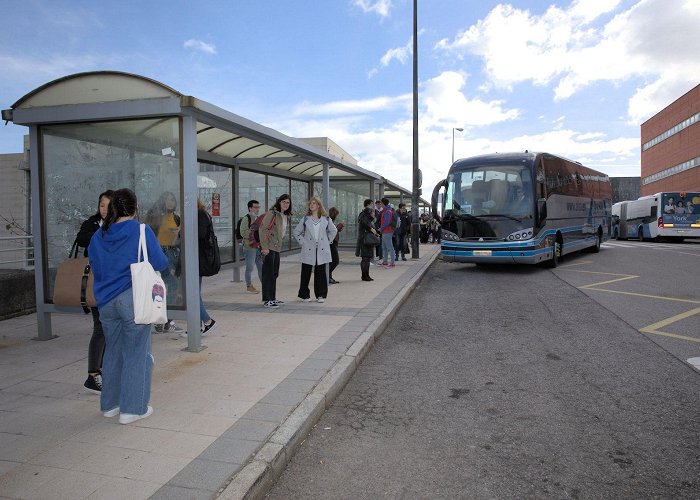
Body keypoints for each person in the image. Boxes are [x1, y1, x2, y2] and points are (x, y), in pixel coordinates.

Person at [88, 188, 168, 424]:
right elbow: (161, 263)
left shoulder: (98, 235)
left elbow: (95, 264)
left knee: (112, 351)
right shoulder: (141, 230)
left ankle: (110, 405)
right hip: (132, 299)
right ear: (135, 208)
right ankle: (133, 409)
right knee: (136, 353)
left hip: (105, 302)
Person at [76, 189, 113, 393]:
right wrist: (102, 232)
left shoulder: (120, 225)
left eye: (108, 206)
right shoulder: (93, 223)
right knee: (100, 328)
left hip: (113, 285)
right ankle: (93, 374)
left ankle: (104, 369)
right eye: (101, 205)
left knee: (110, 329)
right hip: (96, 285)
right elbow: (82, 239)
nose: (104, 210)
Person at [145, 191, 183, 333]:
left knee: (169, 286)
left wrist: (179, 233)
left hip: (173, 252)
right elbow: (147, 234)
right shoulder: (156, 217)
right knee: (161, 286)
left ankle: (163, 319)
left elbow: (180, 239)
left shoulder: (177, 218)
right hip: (159, 252)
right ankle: (165, 319)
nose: (170, 203)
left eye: (172, 200)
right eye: (167, 200)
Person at [180, 199, 218, 339]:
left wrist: (181, 231)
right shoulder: (199, 214)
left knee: (193, 293)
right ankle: (198, 325)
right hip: (196, 258)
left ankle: (207, 321)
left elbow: (199, 235)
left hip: (196, 259)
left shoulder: (199, 214)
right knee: (194, 292)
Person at [293, 197, 337, 303]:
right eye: (310, 203)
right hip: (308, 248)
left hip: (321, 249)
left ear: (318, 206)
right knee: (306, 272)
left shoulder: (326, 219)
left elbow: (333, 230)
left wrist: (327, 241)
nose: (312, 205)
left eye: (314, 203)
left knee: (321, 273)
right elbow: (296, 232)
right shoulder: (305, 219)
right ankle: (304, 295)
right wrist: (303, 242)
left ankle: (321, 295)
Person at [260, 194, 292, 308]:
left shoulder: (284, 215)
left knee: (274, 274)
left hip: (276, 247)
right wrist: (264, 247)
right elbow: (262, 229)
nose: (285, 204)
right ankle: (267, 300)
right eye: (283, 202)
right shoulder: (272, 213)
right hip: (269, 247)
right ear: (279, 202)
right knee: (268, 274)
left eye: (287, 202)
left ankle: (272, 298)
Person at [239, 199, 263, 293]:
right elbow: (243, 232)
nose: (257, 209)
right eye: (255, 207)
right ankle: (249, 286)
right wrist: (254, 233)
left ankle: (265, 284)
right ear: (250, 208)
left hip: (257, 246)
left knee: (261, 267)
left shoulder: (257, 218)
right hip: (249, 247)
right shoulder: (246, 218)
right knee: (250, 267)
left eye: (258, 207)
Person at [357, 199, 379, 281]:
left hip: (367, 239)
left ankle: (366, 275)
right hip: (365, 239)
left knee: (367, 258)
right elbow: (364, 223)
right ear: (368, 205)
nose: (373, 206)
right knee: (365, 258)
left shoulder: (366, 215)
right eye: (371, 204)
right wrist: (371, 229)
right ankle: (364, 275)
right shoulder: (364, 214)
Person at [328, 207, 344, 284]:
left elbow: (334, 230)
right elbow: (333, 231)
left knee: (332, 261)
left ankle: (329, 277)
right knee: (335, 261)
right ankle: (327, 275)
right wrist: (340, 226)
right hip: (331, 243)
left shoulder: (331, 220)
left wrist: (339, 228)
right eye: (336, 214)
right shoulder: (328, 220)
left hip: (333, 242)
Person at [379, 197, 396, 267]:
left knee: (389, 247)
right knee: (384, 247)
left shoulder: (387, 211)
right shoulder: (386, 210)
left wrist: (381, 228)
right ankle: (385, 261)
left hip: (387, 231)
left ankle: (392, 262)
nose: (380, 204)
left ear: (383, 203)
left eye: (381, 203)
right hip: (385, 231)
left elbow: (387, 222)